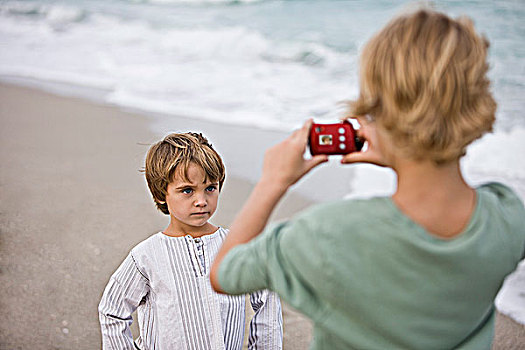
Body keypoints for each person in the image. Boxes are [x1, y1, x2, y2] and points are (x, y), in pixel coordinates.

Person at [210, 9, 525, 350]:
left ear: (376, 107)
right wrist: (400, 155)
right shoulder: (507, 217)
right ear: (477, 103)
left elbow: (226, 273)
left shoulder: (327, 234)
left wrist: (272, 182)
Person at [98, 132, 283, 349]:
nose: (201, 201)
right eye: (187, 190)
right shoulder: (146, 256)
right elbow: (112, 311)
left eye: (210, 188)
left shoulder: (236, 247)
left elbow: (268, 297)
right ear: (160, 194)